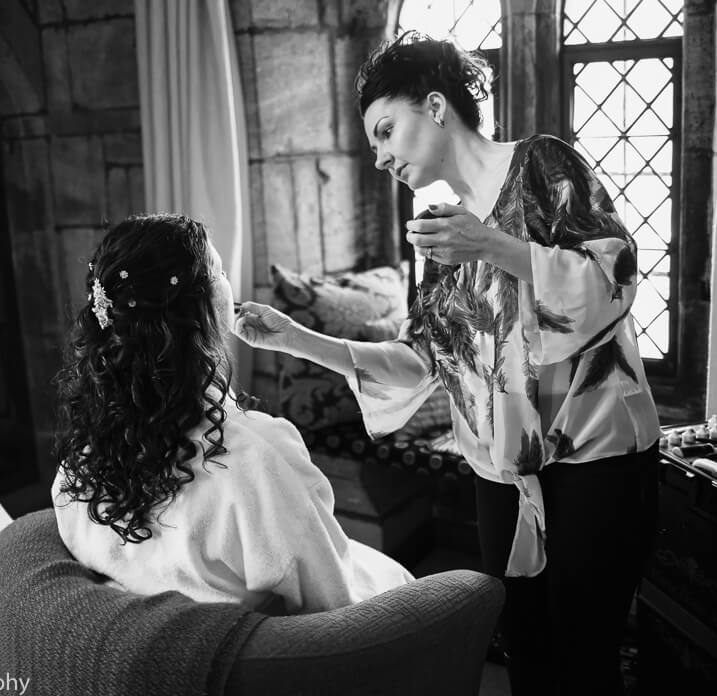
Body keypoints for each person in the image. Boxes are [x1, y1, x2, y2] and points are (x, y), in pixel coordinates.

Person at [233, 32, 661, 695]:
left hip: (595, 462)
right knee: (528, 655)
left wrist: (490, 243)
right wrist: (296, 339)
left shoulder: (543, 165)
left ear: (434, 106)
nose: (378, 156)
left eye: (385, 131)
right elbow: (421, 359)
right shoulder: (439, 230)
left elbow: (616, 279)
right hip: (500, 476)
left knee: (586, 658)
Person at [51, 213, 413, 616]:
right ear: (202, 308)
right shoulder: (259, 458)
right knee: (400, 580)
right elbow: (331, 603)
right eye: (221, 271)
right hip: (269, 652)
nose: (229, 283)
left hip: (157, 630)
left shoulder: (81, 458)